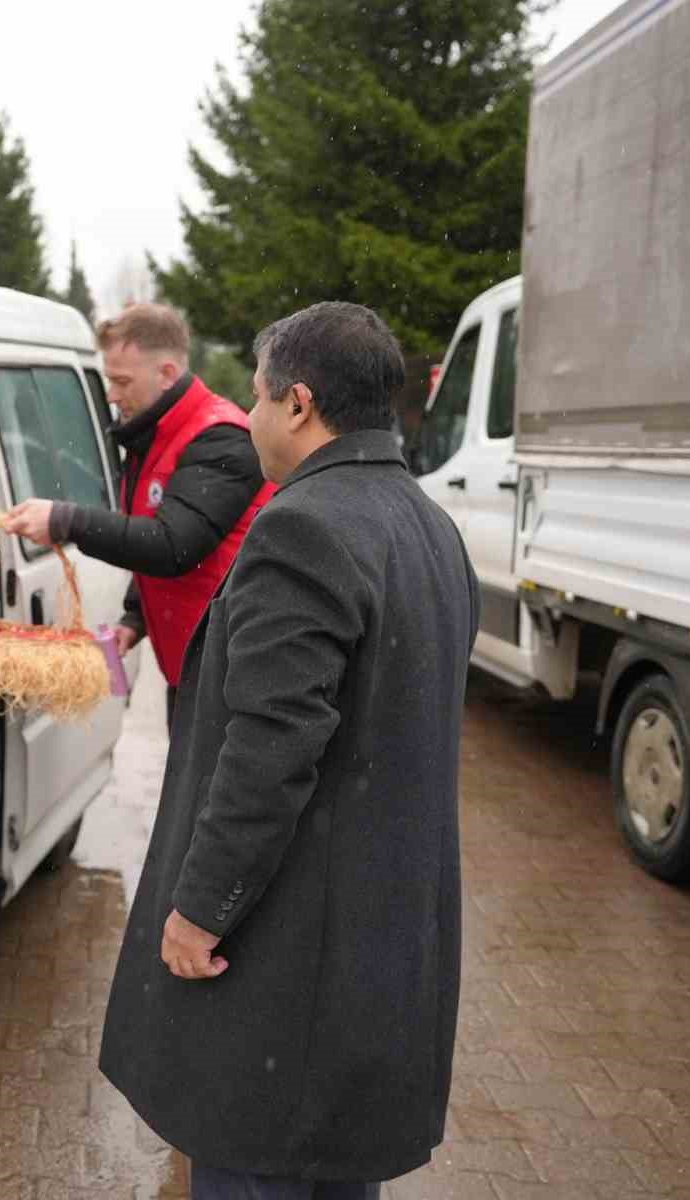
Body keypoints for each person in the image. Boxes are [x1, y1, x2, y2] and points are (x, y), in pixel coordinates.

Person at [97, 303, 480, 1199]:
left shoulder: (303, 527)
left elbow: (269, 750)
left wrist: (199, 911)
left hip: (289, 963)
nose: (251, 417)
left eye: (259, 399)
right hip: (379, 953)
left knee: (258, 1164)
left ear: (299, 403)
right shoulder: (427, 525)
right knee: (335, 1172)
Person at [6, 304, 273, 715]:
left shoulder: (221, 440)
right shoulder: (158, 435)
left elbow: (173, 545)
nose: (112, 395)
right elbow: (159, 528)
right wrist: (135, 618)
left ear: (166, 374)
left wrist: (66, 520)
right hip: (192, 669)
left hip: (229, 678)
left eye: (121, 381)